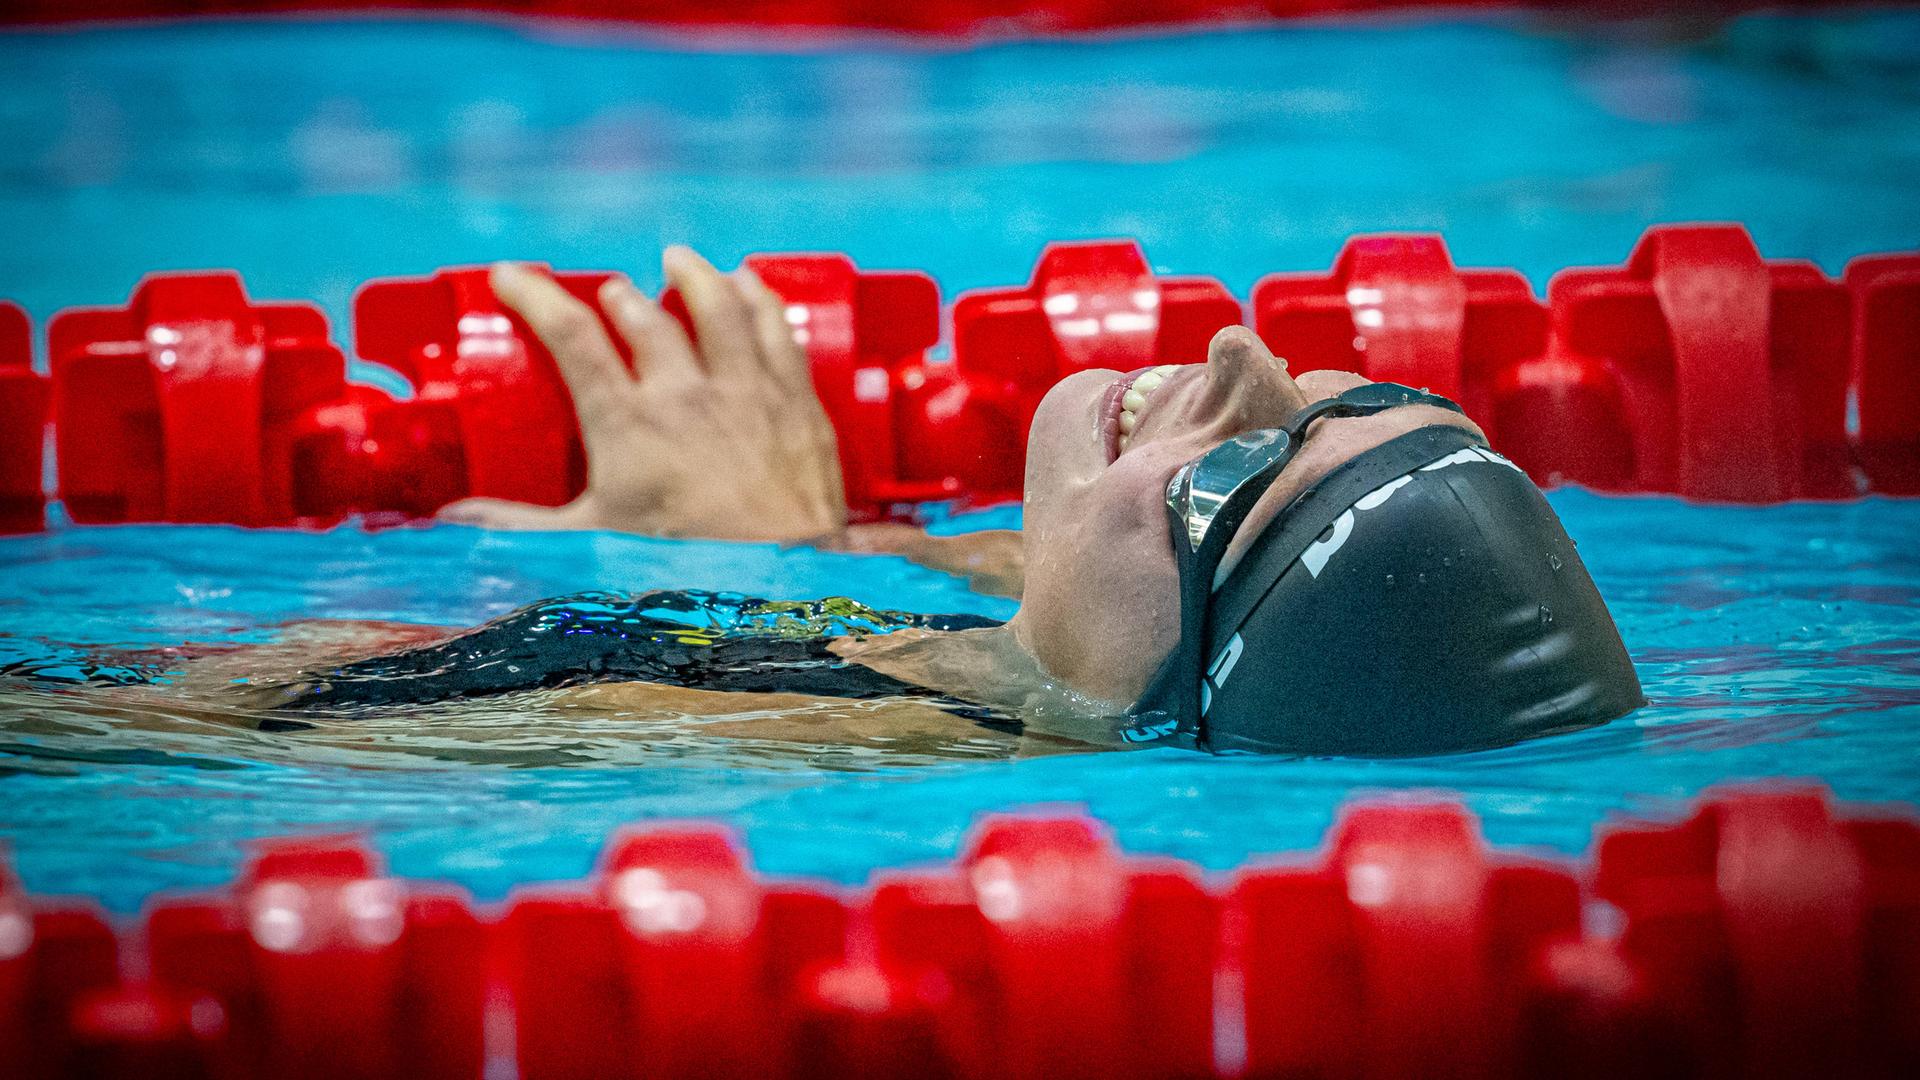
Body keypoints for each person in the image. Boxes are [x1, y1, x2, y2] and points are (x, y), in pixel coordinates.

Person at [252, 245, 1643, 755]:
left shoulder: (696, 720)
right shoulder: (1041, 646)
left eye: (1238, 476)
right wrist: (799, 542)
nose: (1244, 359)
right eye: (1351, 399)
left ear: (1149, 703)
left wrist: (698, 571)